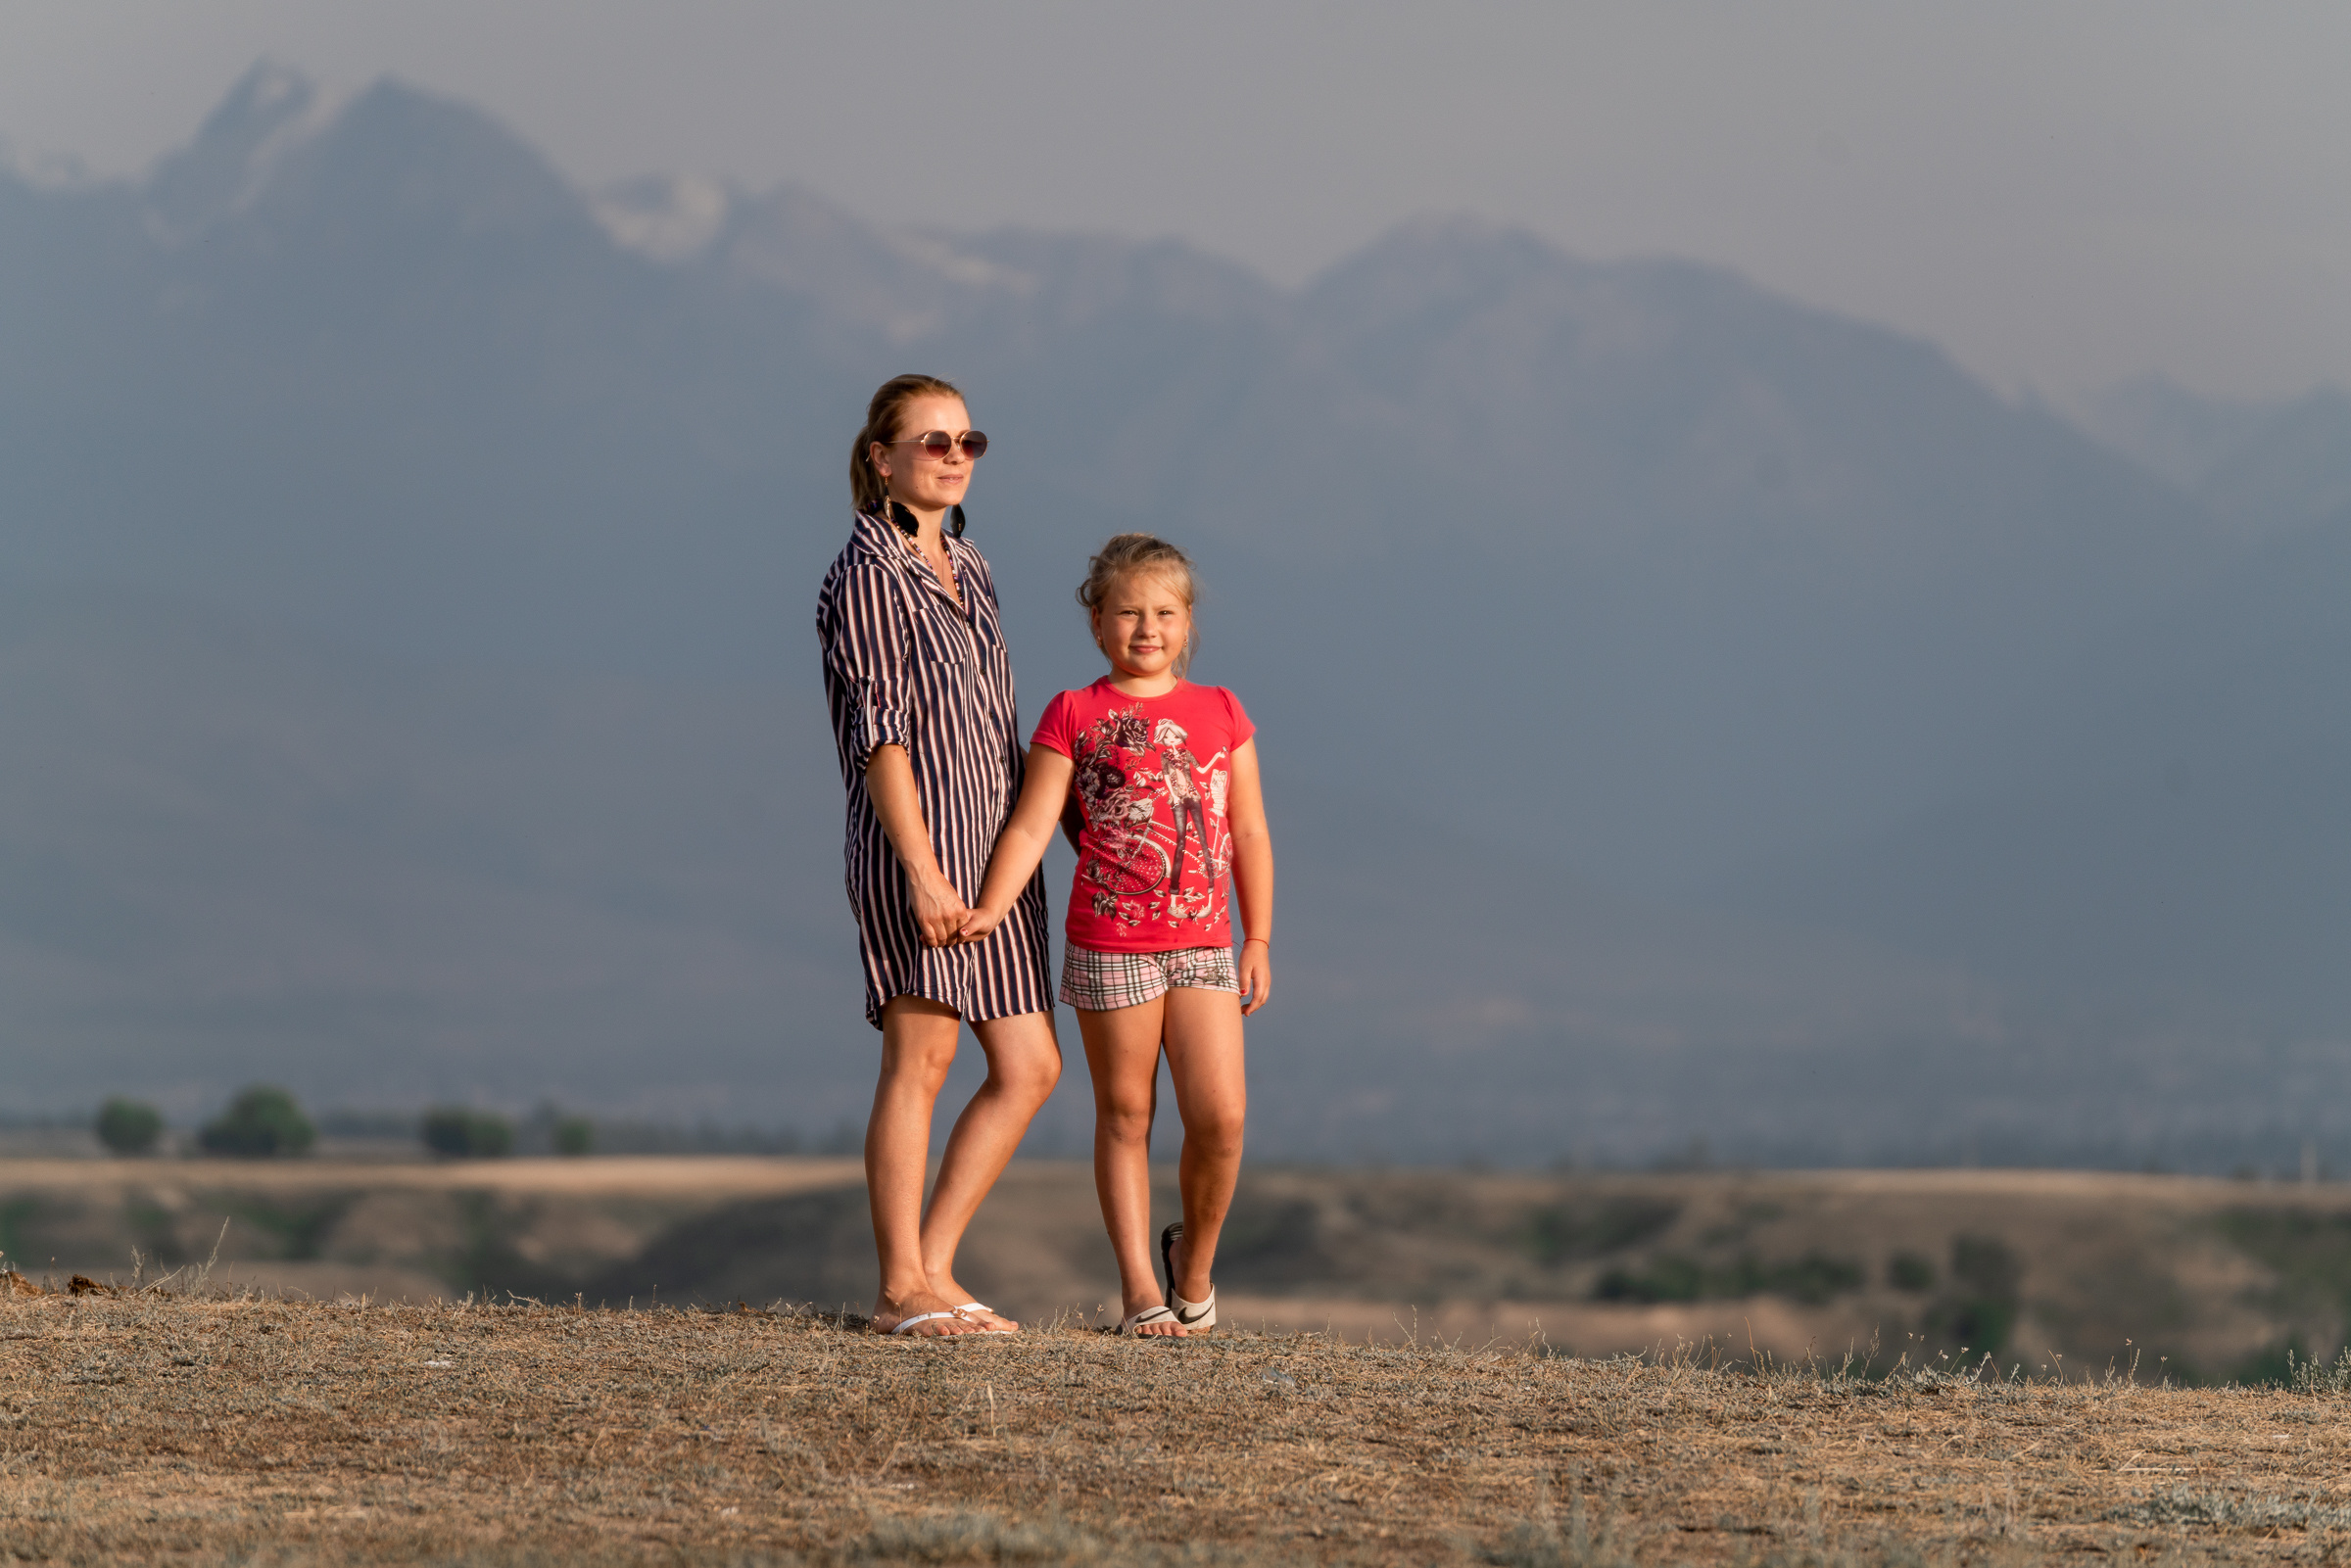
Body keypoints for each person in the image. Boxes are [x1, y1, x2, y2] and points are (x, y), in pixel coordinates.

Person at [958, 534, 1273, 1336]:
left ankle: (1191, 1267)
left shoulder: (1223, 710)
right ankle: (1139, 1292)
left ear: (1188, 621)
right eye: (1128, 612)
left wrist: (1259, 937)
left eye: (1164, 612)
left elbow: (1248, 830)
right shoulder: (1073, 712)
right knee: (1126, 1114)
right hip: (1108, 943)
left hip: (1204, 944)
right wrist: (990, 906)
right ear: (1097, 621)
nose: (1147, 628)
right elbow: (1032, 825)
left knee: (1221, 1118)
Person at [814, 374, 1060, 1337]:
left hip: (996, 849)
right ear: (881, 458)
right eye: (934, 441)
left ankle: (936, 1264)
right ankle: (897, 1288)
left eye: (969, 441)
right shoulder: (868, 573)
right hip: (915, 844)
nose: (956, 457)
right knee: (922, 1056)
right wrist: (920, 869)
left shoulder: (972, 563)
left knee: (1030, 1064)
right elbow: (882, 736)